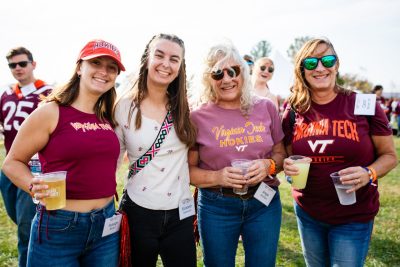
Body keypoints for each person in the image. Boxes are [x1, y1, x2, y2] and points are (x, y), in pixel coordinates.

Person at [2, 39, 125, 267]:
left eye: (111, 68)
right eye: (96, 62)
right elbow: (12, 163)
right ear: (79, 67)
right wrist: (32, 183)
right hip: (59, 226)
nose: (103, 72)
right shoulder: (51, 111)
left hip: (106, 225)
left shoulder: (108, 115)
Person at [282, 38, 398, 267]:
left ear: (337, 64)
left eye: (327, 59)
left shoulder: (363, 103)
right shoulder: (294, 108)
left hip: (353, 214)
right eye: (311, 62)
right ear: (302, 69)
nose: (320, 67)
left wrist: (369, 173)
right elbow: (287, 155)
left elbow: (390, 156)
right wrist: (288, 167)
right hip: (309, 212)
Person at [189, 42, 286, 267]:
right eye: (217, 73)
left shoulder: (266, 107)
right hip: (216, 206)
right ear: (208, 79)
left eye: (233, 71)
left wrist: (268, 166)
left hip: (265, 202)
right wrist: (218, 177)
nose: (226, 79)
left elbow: (281, 153)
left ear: (244, 72)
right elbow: (188, 171)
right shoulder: (197, 116)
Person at [115, 33, 197, 267]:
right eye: (159, 55)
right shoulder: (123, 106)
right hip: (138, 212)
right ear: (146, 60)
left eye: (174, 59)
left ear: (181, 66)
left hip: (180, 214)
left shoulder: (186, 107)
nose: (166, 64)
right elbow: (112, 160)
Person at [0, 46, 52, 267]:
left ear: (33, 64)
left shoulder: (48, 92)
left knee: (26, 228)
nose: (18, 68)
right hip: (11, 163)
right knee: (17, 218)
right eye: (13, 65)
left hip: (35, 166)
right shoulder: (7, 94)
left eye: (22, 63)